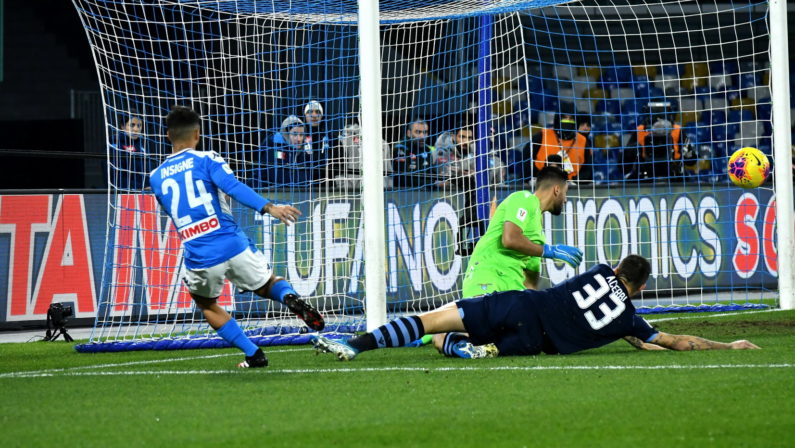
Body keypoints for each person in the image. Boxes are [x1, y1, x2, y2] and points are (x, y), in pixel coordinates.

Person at [311, 254, 759, 361]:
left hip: (521, 302)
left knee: (431, 324)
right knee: (458, 343)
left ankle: (353, 345)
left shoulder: (599, 270)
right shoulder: (630, 318)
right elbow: (675, 341)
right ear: (639, 288)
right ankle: (474, 350)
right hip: (533, 341)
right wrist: (727, 344)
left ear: (618, 266)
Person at [149, 106, 325, 368]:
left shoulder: (156, 176)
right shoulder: (207, 158)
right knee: (267, 284)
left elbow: (172, 213)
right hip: (231, 241)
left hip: (199, 251)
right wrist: (269, 207)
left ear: (167, 135)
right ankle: (288, 296)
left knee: (207, 304)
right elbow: (233, 186)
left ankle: (254, 353)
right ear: (197, 134)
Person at [462, 165, 581, 296]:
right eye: (566, 193)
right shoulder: (524, 198)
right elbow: (510, 239)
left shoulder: (537, 235)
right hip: (487, 281)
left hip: (511, 292)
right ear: (557, 190)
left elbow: (530, 282)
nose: (565, 200)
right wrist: (550, 251)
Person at [433, 122, 504, 256]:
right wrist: (470, 173)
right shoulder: (443, 153)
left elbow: (497, 175)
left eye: (469, 138)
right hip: (453, 204)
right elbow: (444, 178)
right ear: (454, 137)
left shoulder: (482, 155)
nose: (465, 141)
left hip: (477, 206)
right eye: (462, 137)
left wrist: (462, 172)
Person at [623, 101, 694, 180]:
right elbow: (624, 165)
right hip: (645, 174)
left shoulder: (677, 130)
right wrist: (632, 151)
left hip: (673, 173)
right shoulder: (640, 130)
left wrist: (688, 153)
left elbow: (691, 161)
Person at [522, 109, 587, 181]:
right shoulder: (542, 135)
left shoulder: (583, 140)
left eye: (571, 118)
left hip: (572, 186)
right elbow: (526, 157)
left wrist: (576, 181)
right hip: (542, 182)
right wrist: (536, 178)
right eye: (564, 118)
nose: (567, 121)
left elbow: (587, 168)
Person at [261, 115, 314, 187]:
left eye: (301, 135)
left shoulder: (302, 152)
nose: (298, 139)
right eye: (294, 134)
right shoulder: (275, 151)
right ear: (286, 134)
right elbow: (279, 179)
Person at [111, 112, 152, 190]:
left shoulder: (143, 148)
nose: (136, 129)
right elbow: (115, 179)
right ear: (123, 126)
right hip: (122, 195)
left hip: (143, 194)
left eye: (139, 126)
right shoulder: (114, 146)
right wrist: (141, 187)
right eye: (132, 125)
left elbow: (147, 174)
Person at [391, 119, 436, 188]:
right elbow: (404, 179)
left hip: (426, 193)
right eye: (418, 132)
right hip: (404, 193)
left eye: (425, 132)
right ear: (409, 133)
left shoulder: (428, 149)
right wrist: (433, 183)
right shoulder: (400, 148)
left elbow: (432, 173)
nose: (422, 136)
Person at [303, 100, 331, 182]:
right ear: (304, 115)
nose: (314, 115)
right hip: (302, 187)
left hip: (327, 188)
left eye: (318, 111)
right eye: (310, 112)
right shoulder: (297, 138)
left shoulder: (333, 140)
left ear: (322, 115)